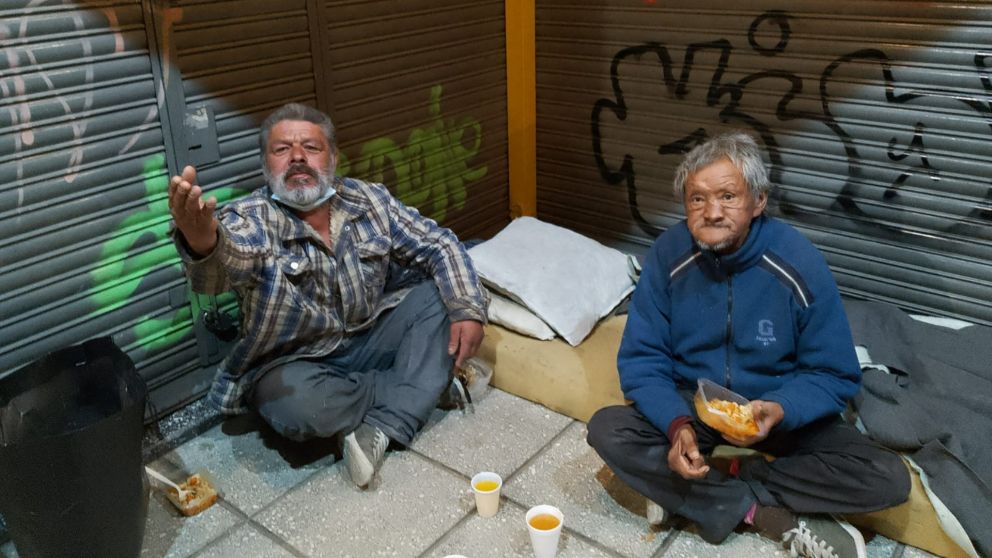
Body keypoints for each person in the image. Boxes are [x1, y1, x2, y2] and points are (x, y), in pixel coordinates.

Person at [586, 131, 910, 557]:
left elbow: (834, 373)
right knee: (607, 430)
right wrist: (677, 425)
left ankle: (713, 490)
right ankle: (758, 510)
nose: (712, 212)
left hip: (775, 411)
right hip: (699, 406)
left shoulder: (798, 261)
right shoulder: (669, 255)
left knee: (885, 477)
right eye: (697, 199)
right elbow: (643, 359)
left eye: (727, 196)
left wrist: (781, 407)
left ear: (758, 201)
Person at [168, 102, 488, 489]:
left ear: (333, 158)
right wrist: (203, 240)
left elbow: (438, 243)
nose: (298, 157)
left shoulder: (369, 200)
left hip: (370, 335)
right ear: (266, 164)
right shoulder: (249, 217)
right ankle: (418, 388)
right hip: (298, 363)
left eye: (311, 147)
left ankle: (382, 423)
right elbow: (227, 261)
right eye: (282, 149)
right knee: (296, 408)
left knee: (444, 296)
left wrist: (467, 307)